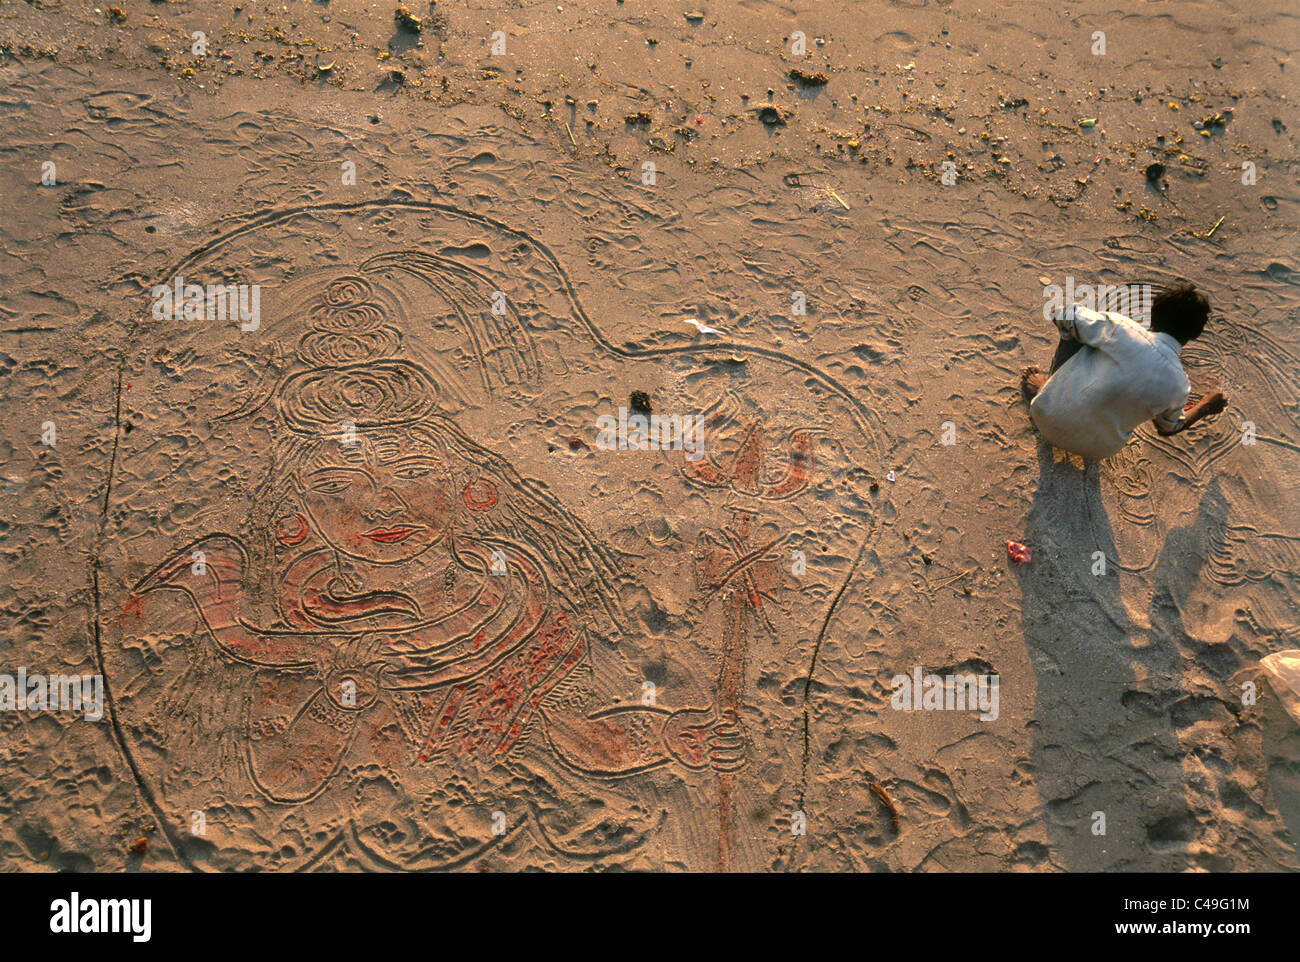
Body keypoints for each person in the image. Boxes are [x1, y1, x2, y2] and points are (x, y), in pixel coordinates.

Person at [1021, 283, 1228, 459]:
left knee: (1080, 330)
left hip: (1045, 416)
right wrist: (1205, 405)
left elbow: (1061, 314)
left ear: (1153, 314)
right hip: (1097, 450)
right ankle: (1077, 417)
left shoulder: (1121, 328)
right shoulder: (1179, 385)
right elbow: (1169, 428)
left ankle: (1047, 391)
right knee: (1142, 392)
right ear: (1196, 333)